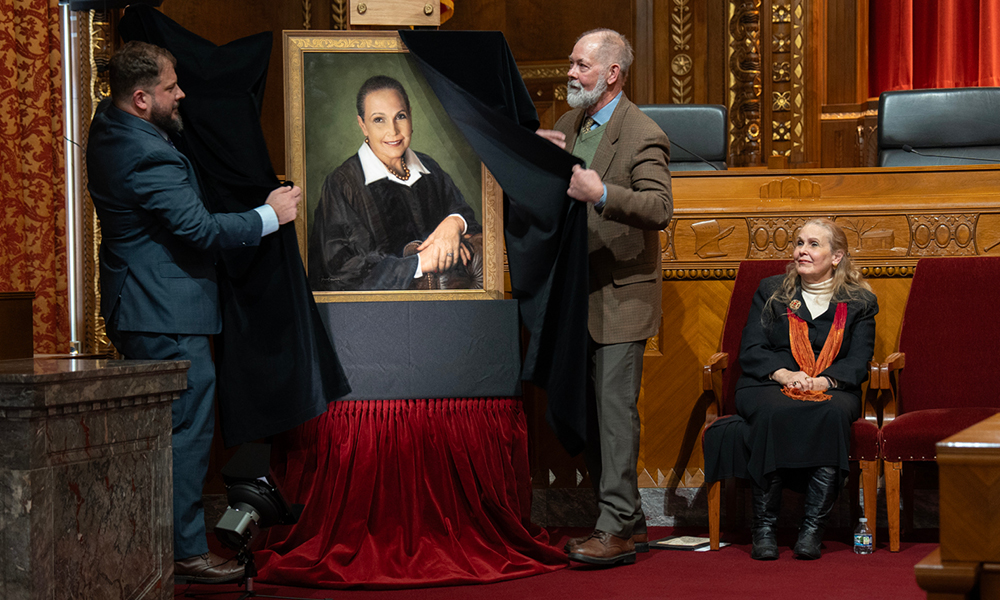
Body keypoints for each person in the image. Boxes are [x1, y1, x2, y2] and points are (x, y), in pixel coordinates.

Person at [86, 41, 301, 584]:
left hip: (143, 305)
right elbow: (199, 229)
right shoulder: (146, 153)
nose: (181, 94)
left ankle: (155, 550)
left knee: (165, 434)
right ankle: (184, 554)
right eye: (169, 87)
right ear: (140, 99)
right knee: (184, 434)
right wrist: (268, 215)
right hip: (166, 314)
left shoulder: (109, 124)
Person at [536, 29, 673, 566]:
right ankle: (630, 521)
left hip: (621, 296)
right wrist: (545, 159)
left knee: (615, 417)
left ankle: (613, 530)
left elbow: (659, 208)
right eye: (571, 63)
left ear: (612, 73)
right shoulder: (572, 123)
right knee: (593, 416)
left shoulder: (643, 133)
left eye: (581, 65)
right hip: (579, 293)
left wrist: (604, 195)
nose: (570, 73)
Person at [708, 218, 878, 560]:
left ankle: (812, 530)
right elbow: (751, 349)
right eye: (799, 243)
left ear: (836, 257)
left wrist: (824, 381)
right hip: (768, 382)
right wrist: (784, 374)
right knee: (774, 410)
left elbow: (859, 360)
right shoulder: (772, 291)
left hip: (833, 385)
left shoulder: (860, 301)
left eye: (813, 244)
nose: (802, 250)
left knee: (831, 412)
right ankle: (764, 529)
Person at [308, 75, 482, 291]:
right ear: (363, 125)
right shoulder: (343, 184)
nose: (393, 131)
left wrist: (453, 225)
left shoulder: (429, 168)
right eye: (378, 120)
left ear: (410, 116)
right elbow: (339, 270)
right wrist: (418, 263)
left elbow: (469, 220)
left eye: (400, 116)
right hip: (377, 309)